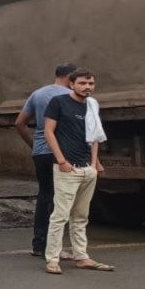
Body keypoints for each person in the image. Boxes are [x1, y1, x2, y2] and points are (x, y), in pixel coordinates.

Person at [42, 69, 114, 274]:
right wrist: (61, 160)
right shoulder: (58, 102)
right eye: (82, 83)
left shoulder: (92, 105)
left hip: (86, 169)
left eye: (91, 83)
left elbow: (94, 136)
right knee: (60, 216)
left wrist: (94, 163)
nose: (87, 87)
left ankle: (81, 256)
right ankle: (52, 259)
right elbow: (49, 131)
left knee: (81, 216)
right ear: (71, 84)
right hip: (67, 168)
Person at [15, 63, 75, 257]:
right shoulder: (68, 96)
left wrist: (34, 145)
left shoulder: (38, 94)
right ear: (70, 78)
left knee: (45, 196)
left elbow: (20, 123)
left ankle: (39, 245)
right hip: (61, 153)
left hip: (40, 152)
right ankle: (54, 247)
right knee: (62, 199)